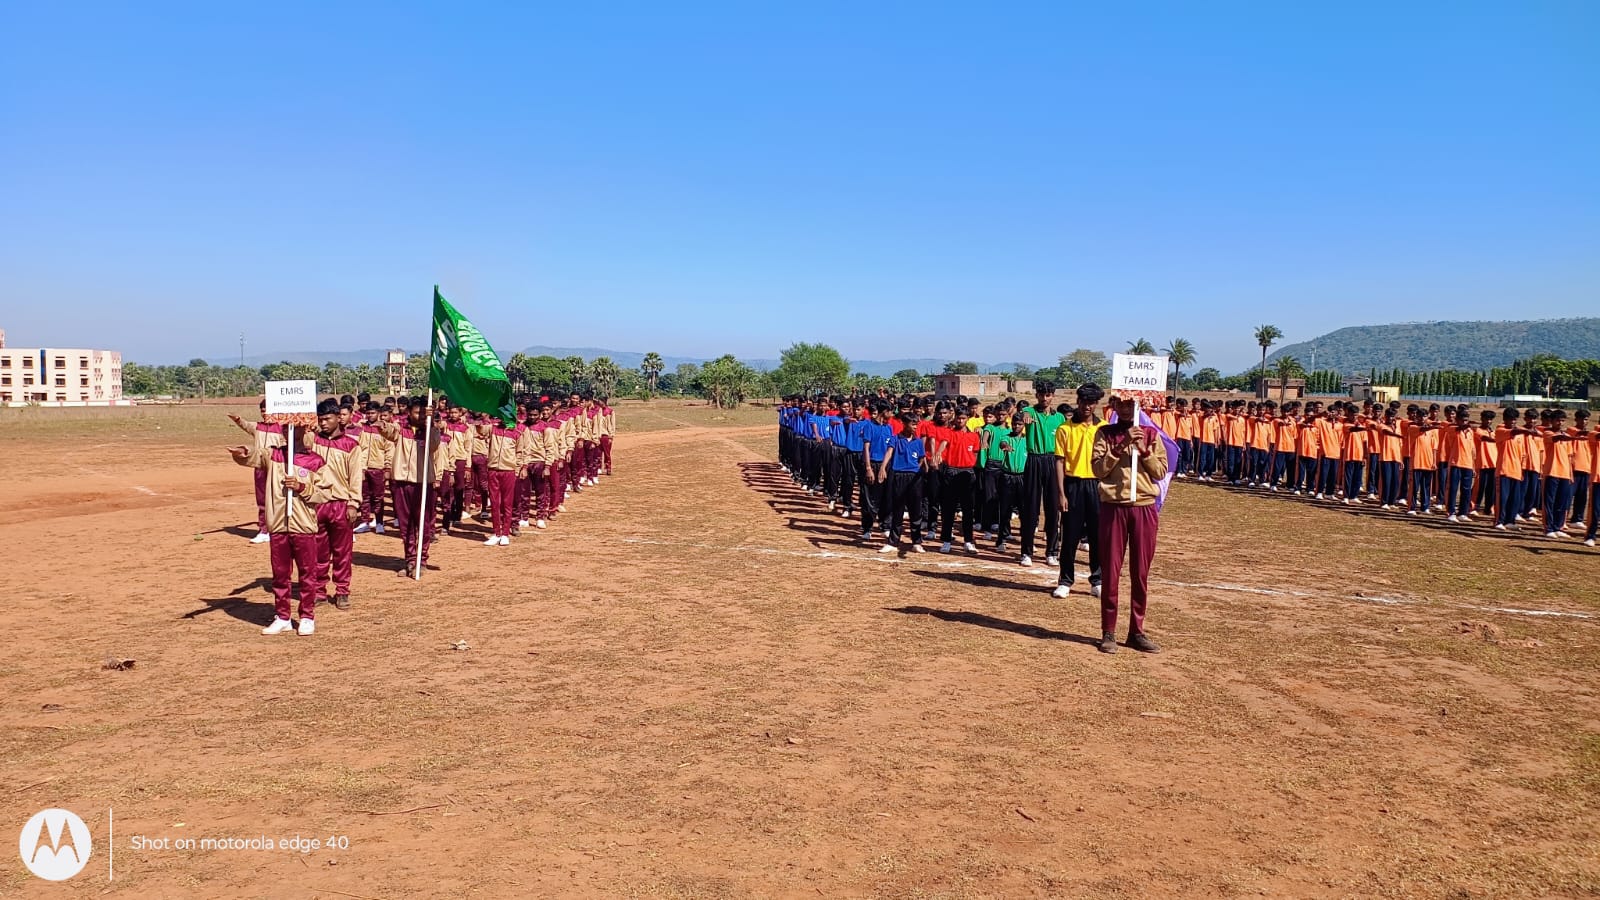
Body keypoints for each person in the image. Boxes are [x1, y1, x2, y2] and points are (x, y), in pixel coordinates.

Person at [227, 426, 331, 635]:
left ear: (304, 430)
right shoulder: (273, 455)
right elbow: (255, 456)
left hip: (303, 526)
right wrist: (243, 453)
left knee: (307, 573)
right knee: (280, 574)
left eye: (294, 427)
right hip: (278, 525)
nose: (288, 432)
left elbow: (325, 494)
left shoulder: (315, 461)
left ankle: (307, 616)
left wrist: (302, 488)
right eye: (285, 428)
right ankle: (283, 616)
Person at [1091, 395, 1168, 654]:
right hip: (1114, 507)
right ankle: (1108, 631)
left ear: (1138, 406)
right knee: (1111, 572)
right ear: (1114, 405)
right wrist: (1121, 445)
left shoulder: (1150, 434)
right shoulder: (1105, 433)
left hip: (1144, 507)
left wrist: (1143, 450)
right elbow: (1098, 470)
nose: (1126, 409)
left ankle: (1137, 630)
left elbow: (1160, 471)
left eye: (1131, 404)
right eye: (1122, 404)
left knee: (1140, 572)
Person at [308, 398, 362, 611]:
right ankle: (319, 591)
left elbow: (355, 477)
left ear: (339, 418)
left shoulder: (351, 445)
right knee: (318, 552)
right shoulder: (312, 441)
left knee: (342, 552)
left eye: (327, 419)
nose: (323, 423)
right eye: (320, 419)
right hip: (317, 504)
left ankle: (342, 591)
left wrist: (353, 504)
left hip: (341, 504)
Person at [378, 397, 443, 574]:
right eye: (417, 412)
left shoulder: (431, 431)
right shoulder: (401, 429)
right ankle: (410, 560)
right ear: (409, 412)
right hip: (401, 483)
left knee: (423, 523)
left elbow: (434, 445)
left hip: (423, 483)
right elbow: (388, 431)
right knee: (405, 524)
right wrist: (381, 425)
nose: (420, 416)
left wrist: (430, 424)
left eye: (423, 413)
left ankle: (422, 560)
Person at [1052, 383, 1104, 599]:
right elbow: (1059, 461)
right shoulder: (1065, 429)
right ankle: (1065, 581)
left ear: (1096, 404)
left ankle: (1097, 580)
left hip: (1097, 486)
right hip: (1073, 485)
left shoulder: (1103, 428)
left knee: (1098, 537)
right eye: (1083, 402)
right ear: (1078, 402)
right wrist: (1061, 493)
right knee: (1070, 537)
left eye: (1091, 403)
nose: (1087, 406)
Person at [1019, 382, 1066, 568]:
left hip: (1053, 461)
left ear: (1053, 395)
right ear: (1036, 395)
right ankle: (1026, 552)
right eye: (1041, 394)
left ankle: (1052, 552)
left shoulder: (1059, 417)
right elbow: (1021, 414)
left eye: (1048, 395)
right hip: (1034, 460)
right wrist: (1023, 416)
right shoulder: (1029, 411)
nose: (1045, 398)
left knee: (1053, 508)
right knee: (1030, 507)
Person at [228, 400, 284, 543]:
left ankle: (278, 529)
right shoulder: (257, 427)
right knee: (262, 500)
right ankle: (264, 530)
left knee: (278, 499)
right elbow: (246, 425)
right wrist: (237, 419)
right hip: (259, 466)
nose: (265, 414)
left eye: (267, 410)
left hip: (277, 467)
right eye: (262, 411)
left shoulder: (282, 428)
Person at [878, 413, 927, 554]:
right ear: (904, 424)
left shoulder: (918, 442)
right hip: (898, 476)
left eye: (916, 424)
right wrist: (883, 467)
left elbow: (921, 458)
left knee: (915, 511)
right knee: (897, 510)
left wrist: (917, 469)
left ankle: (916, 542)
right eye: (913, 424)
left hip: (914, 478)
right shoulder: (896, 439)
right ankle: (893, 542)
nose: (915, 427)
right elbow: (889, 453)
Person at [937, 411, 980, 554]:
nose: (960, 421)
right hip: (951, 471)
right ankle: (946, 541)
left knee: (968, 509)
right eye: (958, 418)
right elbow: (943, 444)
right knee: (949, 509)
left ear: (967, 419)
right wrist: (938, 453)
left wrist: (970, 465)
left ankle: (968, 541)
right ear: (955, 418)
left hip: (967, 472)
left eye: (963, 418)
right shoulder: (949, 433)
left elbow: (975, 453)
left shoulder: (974, 436)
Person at [993, 410, 1029, 554]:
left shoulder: (1028, 439)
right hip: (1007, 477)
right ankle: (1002, 539)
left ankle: (1026, 541)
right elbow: (1002, 443)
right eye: (1014, 424)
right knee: (1004, 510)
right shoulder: (1006, 437)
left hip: (1023, 478)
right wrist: (1005, 447)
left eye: (1019, 424)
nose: (1016, 426)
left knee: (1024, 511)